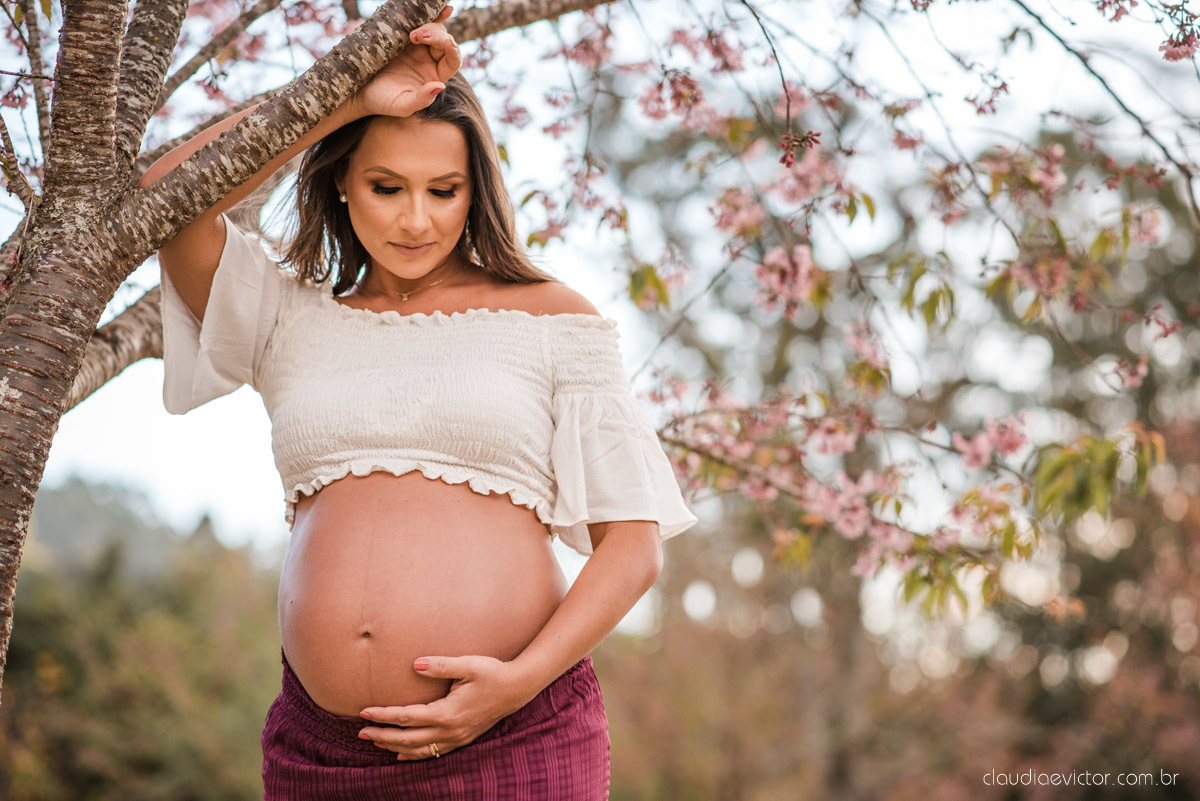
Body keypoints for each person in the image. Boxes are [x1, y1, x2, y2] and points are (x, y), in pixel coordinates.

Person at [141, 6, 698, 799]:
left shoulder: (551, 317)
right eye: (385, 185)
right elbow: (169, 195)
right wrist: (344, 100)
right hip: (321, 751)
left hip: (516, 727)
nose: (415, 219)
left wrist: (516, 682)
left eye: (444, 190)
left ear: (476, 191)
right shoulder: (288, 313)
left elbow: (632, 547)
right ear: (341, 179)